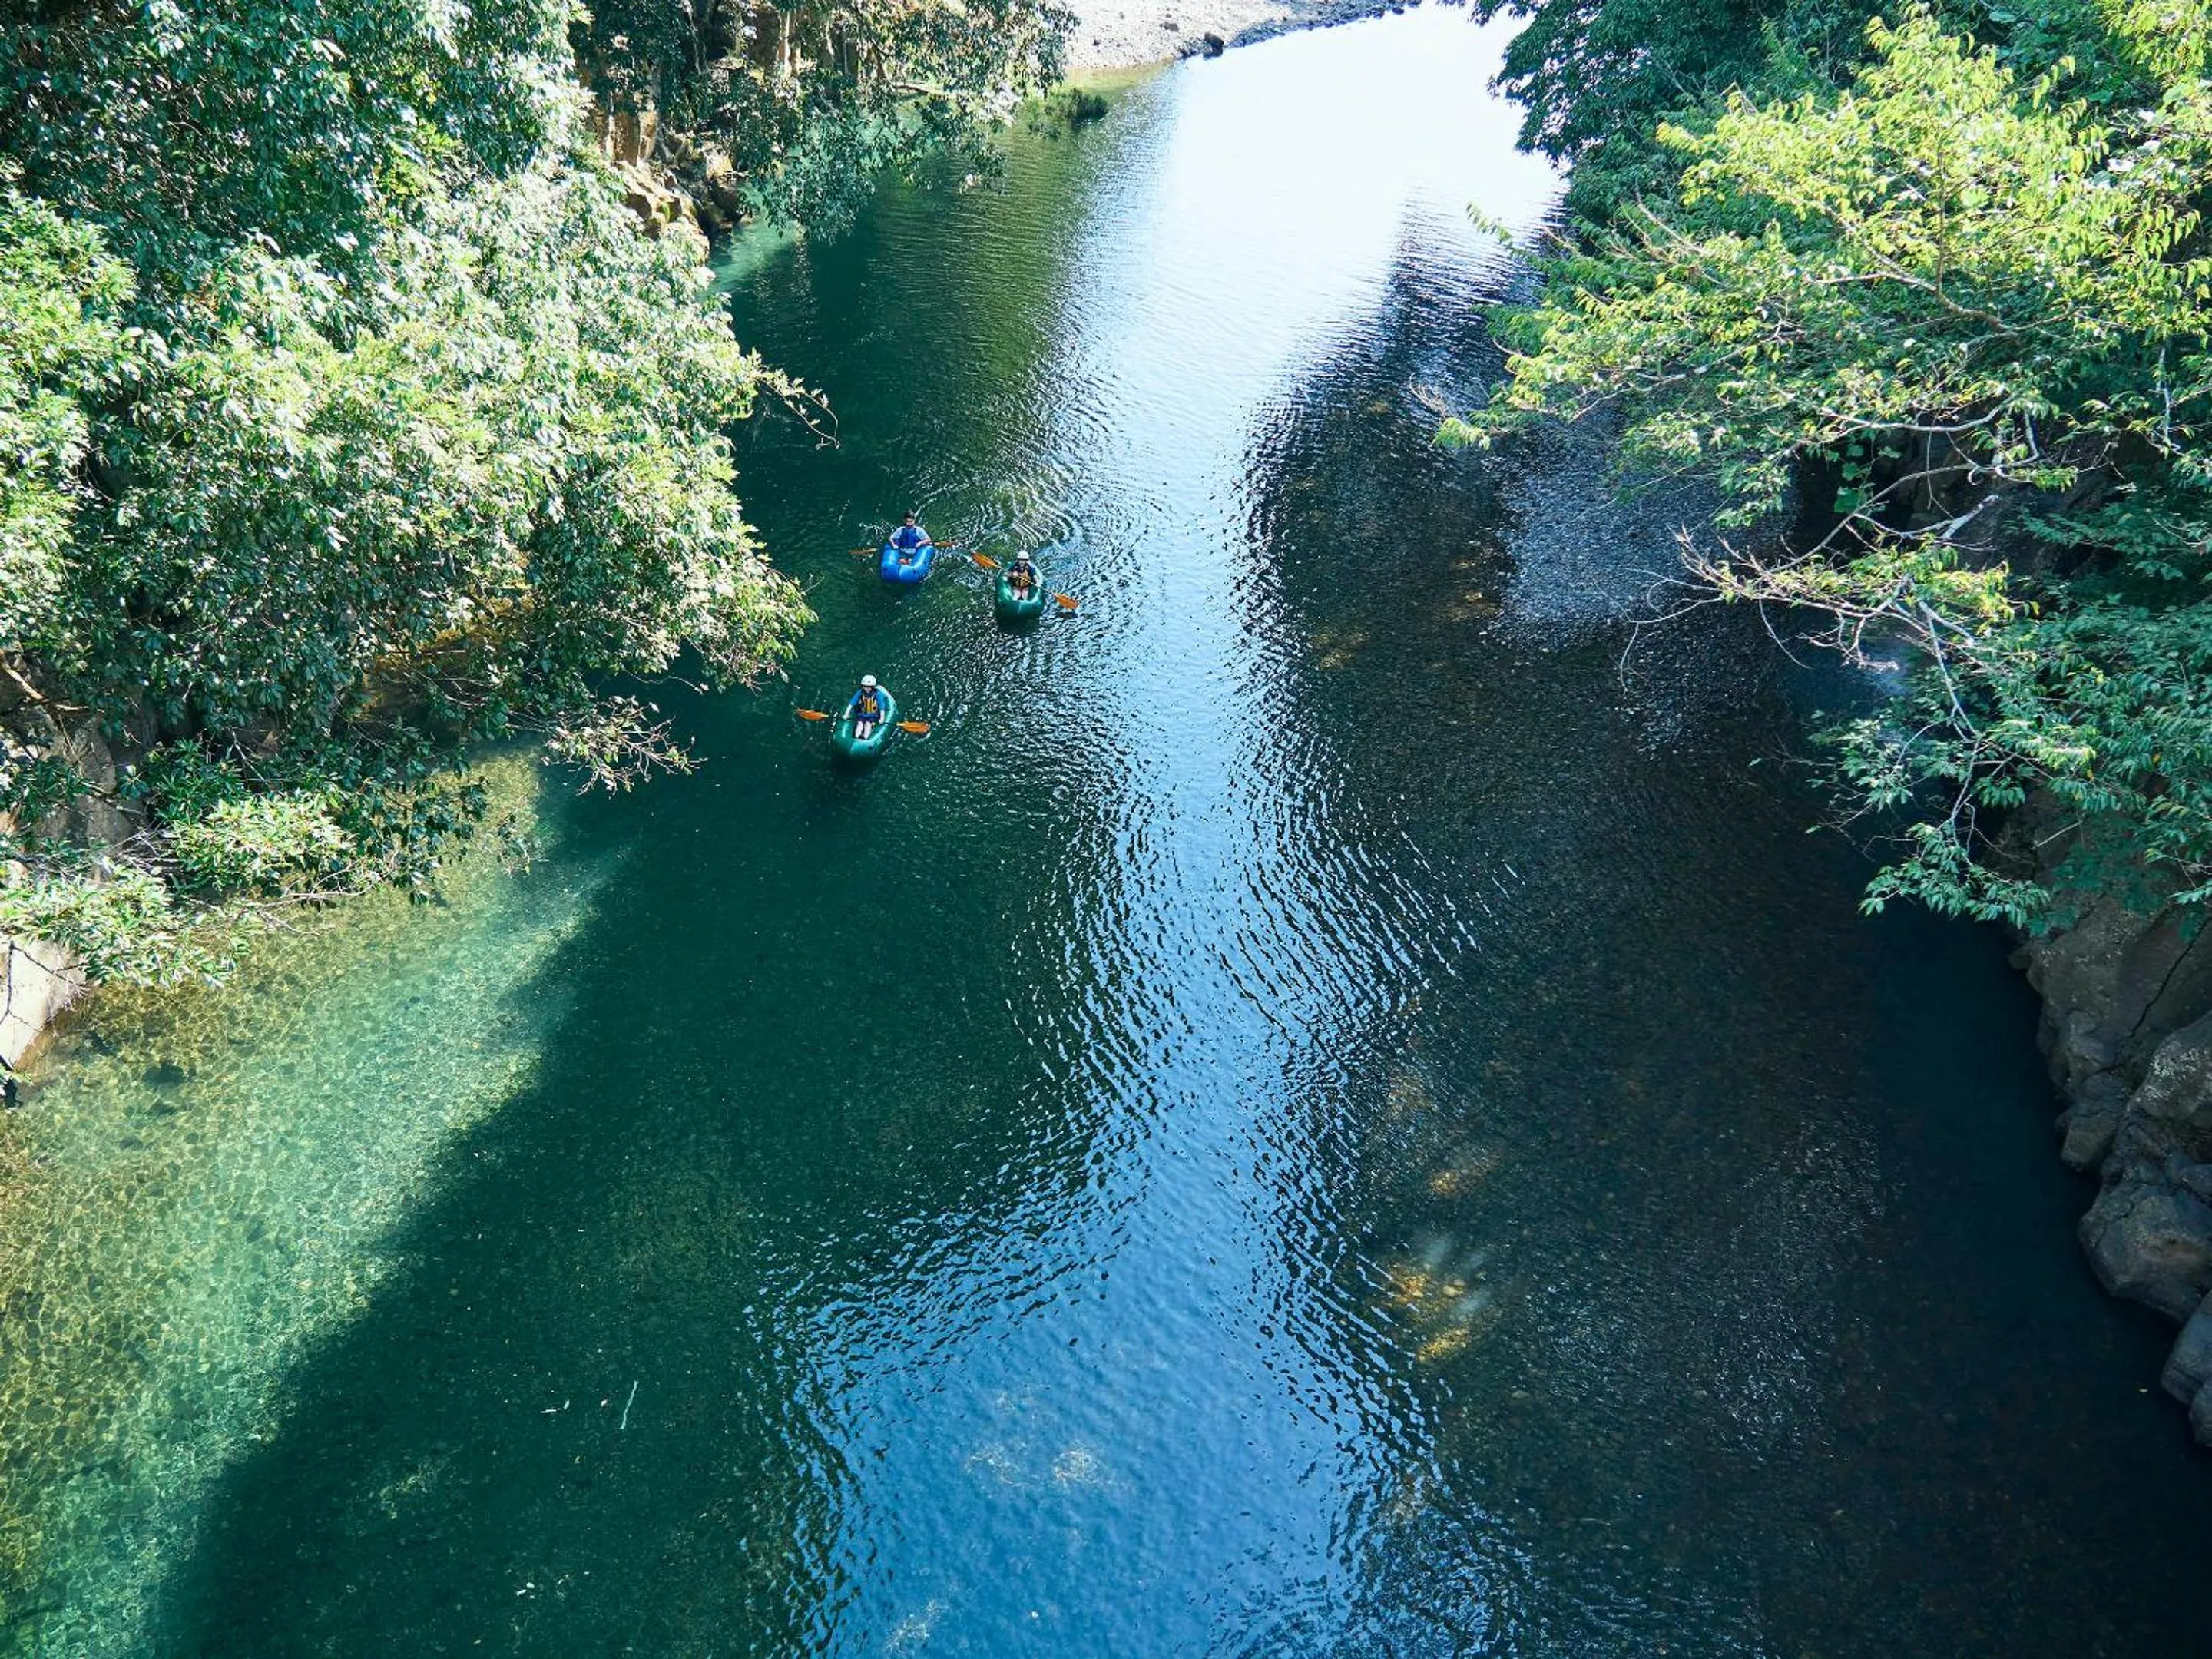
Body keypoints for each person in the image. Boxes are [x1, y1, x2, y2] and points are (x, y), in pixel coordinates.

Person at [846, 674, 884, 739]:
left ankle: (865, 737)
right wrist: (846, 714)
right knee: (860, 724)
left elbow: (882, 707)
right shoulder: (860, 693)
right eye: (866, 687)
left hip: (873, 715)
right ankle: (857, 737)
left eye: (870, 687)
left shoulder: (878, 694)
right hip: (862, 714)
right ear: (863, 686)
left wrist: (882, 718)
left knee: (868, 724)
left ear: (873, 687)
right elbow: (851, 704)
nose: (868, 689)